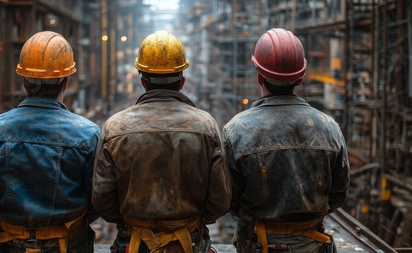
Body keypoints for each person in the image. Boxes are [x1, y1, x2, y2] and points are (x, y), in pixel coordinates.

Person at [92, 30, 232, 253]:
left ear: (143, 82)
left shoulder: (115, 127)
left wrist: (130, 221)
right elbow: (221, 200)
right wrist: (191, 221)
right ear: (182, 81)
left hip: (135, 244)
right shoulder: (206, 126)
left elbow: (101, 199)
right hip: (189, 244)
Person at [222, 28, 350, 253]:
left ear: (259, 76)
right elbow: (338, 193)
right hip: (312, 244)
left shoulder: (237, 130)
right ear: (300, 78)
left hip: (257, 245)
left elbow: (228, 198)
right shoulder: (329, 128)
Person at [0, 31, 101, 253]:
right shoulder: (88, 134)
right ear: (66, 82)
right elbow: (97, 200)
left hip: (9, 245)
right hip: (69, 244)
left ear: (23, 80)